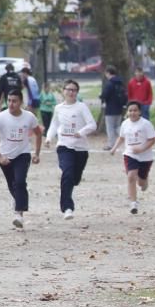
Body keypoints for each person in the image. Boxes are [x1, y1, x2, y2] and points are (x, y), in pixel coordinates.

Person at [0, 90, 43, 229]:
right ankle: (18, 202)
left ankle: (18, 213)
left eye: (14, 101)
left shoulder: (29, 117)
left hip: (22, 154)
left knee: (20, 181)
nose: (11, 104)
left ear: (21, 102)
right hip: (5, 156)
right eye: (9, 100)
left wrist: (36, 153)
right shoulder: (0, 117)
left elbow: (38, 134)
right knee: (13, 185)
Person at [45, 79, 96, 219]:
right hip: (64, 146)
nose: (71, 92)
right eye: (68, 89)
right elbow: (54, 125)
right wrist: (49, 138)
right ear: (63, 91)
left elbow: (92, 125)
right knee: (67, 173)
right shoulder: (58, 108)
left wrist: (81, 132)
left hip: (81, 148)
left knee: (74, 178)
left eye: (74, 90)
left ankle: (74, 180)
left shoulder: (81, 107)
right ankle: (67, 207)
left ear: (77, 92)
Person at [109, 101, 155, 215]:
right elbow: (121, 137)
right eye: (130, 110)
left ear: (140, 112)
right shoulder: (125, 124)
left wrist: (141, 148)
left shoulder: (145, 124)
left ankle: (144, 182)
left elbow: (152, 139)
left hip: (145, 157)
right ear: (127, 112)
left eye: (135, 110)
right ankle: (133, 203)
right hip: (130, 154)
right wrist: (114, 148)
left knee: (141, 183)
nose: (132, 113)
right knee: (131, 176)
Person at [100, 66, 127, 150]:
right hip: (119, 108)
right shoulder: (120, 83)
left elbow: (105, 95)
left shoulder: (109, 84)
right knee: (117, 126)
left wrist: (101, 97)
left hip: (110, 108)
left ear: (108, 73)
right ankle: (127, 137)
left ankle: (111, 144)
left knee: (110, 127)